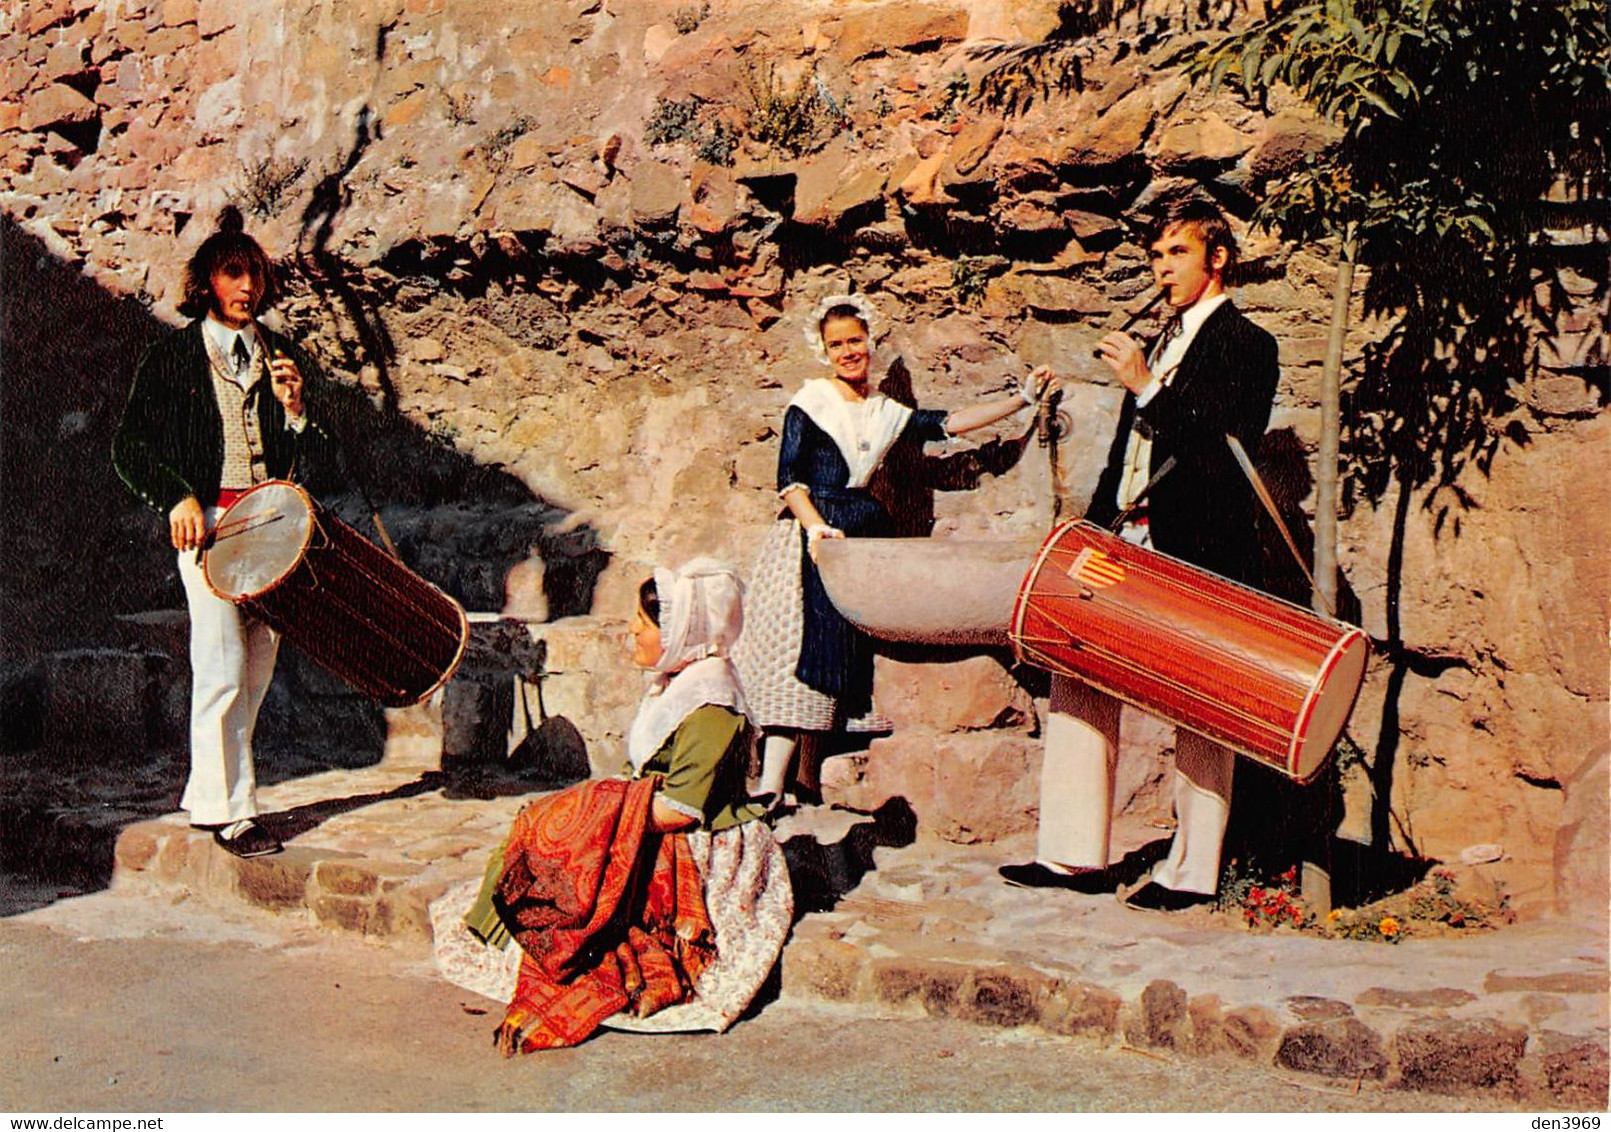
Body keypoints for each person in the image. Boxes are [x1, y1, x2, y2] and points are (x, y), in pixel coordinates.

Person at [999, 197, 1281, 913]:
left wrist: (1145, 387)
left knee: (1197, 701)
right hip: (1125, 534)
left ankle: (1189, 872)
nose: (1162, 271)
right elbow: (1130, 453)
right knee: (1077, 670)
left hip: (1199, 542)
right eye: (1156, 257)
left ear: (1216, 259)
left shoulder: (1249, 344)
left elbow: (1219, 447)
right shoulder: (1157, 340)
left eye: (1176, 255)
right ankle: (1069, 855)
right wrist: (1091, 528)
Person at [429, 560, 794, 1054]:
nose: (633, 632)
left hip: (696, 839)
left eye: (643, 626)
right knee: (543, 830)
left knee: (573, 857)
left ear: (681, 632)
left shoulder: (713, 704)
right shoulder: (678, 682)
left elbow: (682, 809)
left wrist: (596, 814)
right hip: (655, 813)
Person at [734, 293, 1057, 809]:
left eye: (855, 341)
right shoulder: (809, 403)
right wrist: (817, 530)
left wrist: (1021, 400)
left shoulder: (886, 411)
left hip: (859, 530)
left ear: (870, 342)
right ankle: (772, 781)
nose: (848, 352)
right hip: (809, 534)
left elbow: (948, 423)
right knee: (795, 648)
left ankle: (808, 780)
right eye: (836, 344)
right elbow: (789, 480)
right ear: (823, 349)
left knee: (840, 649)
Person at [112, 207, 345, 859]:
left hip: (270, 525)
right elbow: (130, 446)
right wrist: (175, 496)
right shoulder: (173, 355)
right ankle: (231, 813)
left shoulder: (278, 357)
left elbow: (314, 459)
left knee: (258, 666)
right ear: (208, 282)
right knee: (220, 664)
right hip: (210, 528)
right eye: (232, 273)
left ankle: (206, 794)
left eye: (255, 276)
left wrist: (297, 414)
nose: (246, 287)